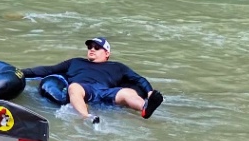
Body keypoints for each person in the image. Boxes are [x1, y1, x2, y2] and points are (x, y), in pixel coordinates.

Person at [22, 37, 164, 120]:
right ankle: (87, 118)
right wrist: (22, 72)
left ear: (107, 53)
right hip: (85, 89)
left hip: (106, 91)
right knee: (74, 87)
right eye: (90, 47)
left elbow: (139, 79)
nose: (92, 49)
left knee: (128, 92)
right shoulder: (76, 62)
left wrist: (150, 92)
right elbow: (49, 70)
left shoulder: (117, 66)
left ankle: (145, 108)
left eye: (97, 47)